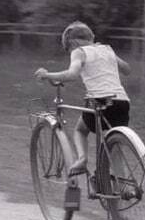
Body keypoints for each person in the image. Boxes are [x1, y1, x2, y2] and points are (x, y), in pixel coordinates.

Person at [34, 21, 131, 176]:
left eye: (69, 49)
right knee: (114, 146)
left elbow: (72, 74)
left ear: (73, 42)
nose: (70, 52)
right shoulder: (106, 49)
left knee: (80, 130)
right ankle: (123, 188)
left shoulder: (79, 51)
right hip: (122, 102)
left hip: (100, 101)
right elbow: (127, 69)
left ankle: (82, 159)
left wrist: (47, 75)